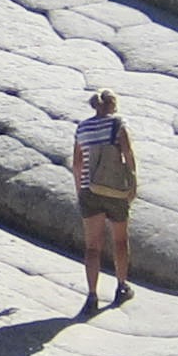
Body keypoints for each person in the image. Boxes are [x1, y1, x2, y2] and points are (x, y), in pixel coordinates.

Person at [72, 88, 136, 314]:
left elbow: (77, 163)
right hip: (115, 189)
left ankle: (91, 296)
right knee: (119, 241)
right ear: (112, 105)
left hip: (91, 190)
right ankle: (121, 286)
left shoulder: (82, 127)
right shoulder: (118, 123)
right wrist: (133, 184)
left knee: (92, 247)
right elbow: (127, 154)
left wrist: (81, 190)